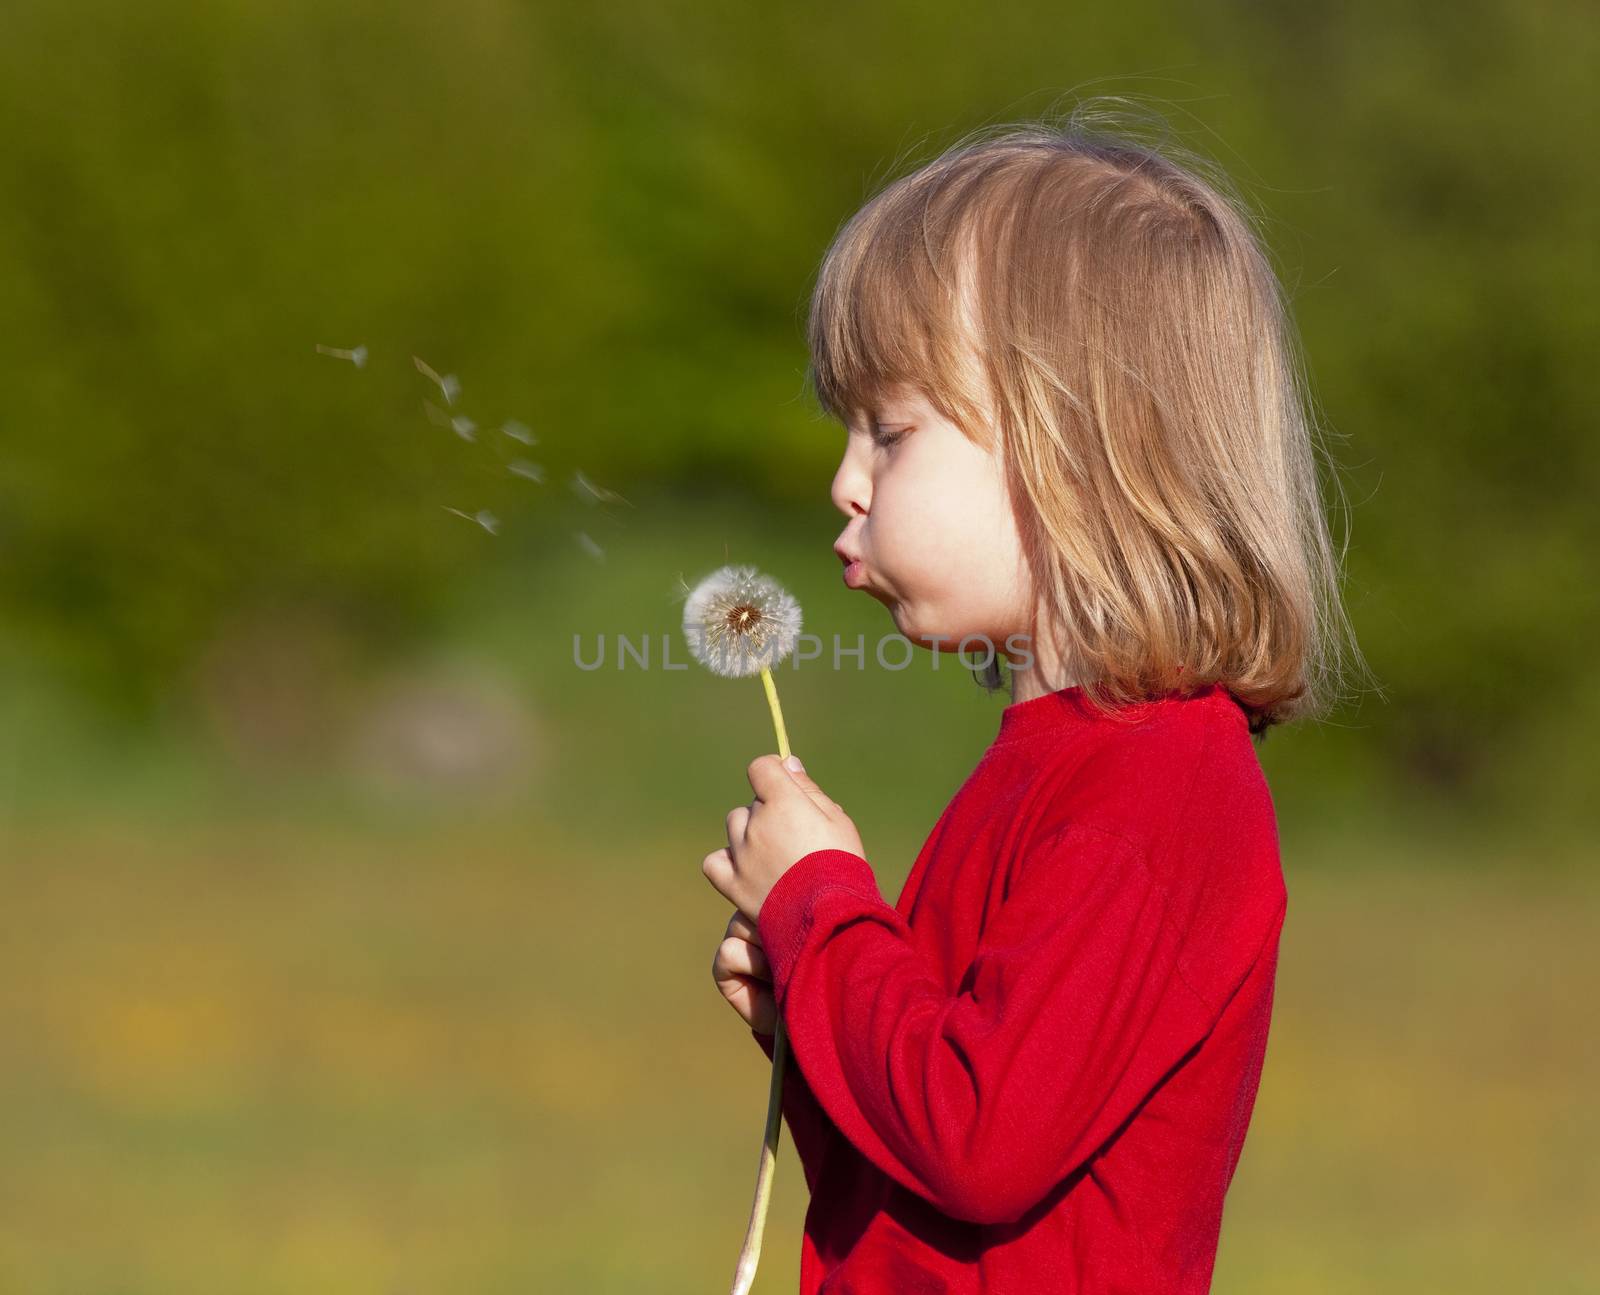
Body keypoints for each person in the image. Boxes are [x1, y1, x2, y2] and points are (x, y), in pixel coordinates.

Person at [704, 107, 1366, 1294]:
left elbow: (978, 1142)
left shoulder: (1158, 784)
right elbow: (914, 1203)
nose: (843, 482)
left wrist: (824, 908)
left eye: (890, 431)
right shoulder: (1052, 759)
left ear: (1076, 443)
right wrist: (811, 1015)